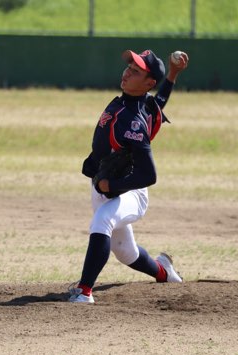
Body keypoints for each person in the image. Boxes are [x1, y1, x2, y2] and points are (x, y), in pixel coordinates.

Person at [69, 48, 189, 304]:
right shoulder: (141, 103)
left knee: (102, 221)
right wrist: (173, 74)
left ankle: (84, 291)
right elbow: (160, 100)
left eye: (136, 71)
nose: (127, 73)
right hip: (105, 186)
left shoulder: (134, 122)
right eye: (129, 67)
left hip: (131, 191)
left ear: (148, 83)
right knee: (126, 252)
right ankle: (163, 271)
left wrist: (112, 184)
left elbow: (149, 175)